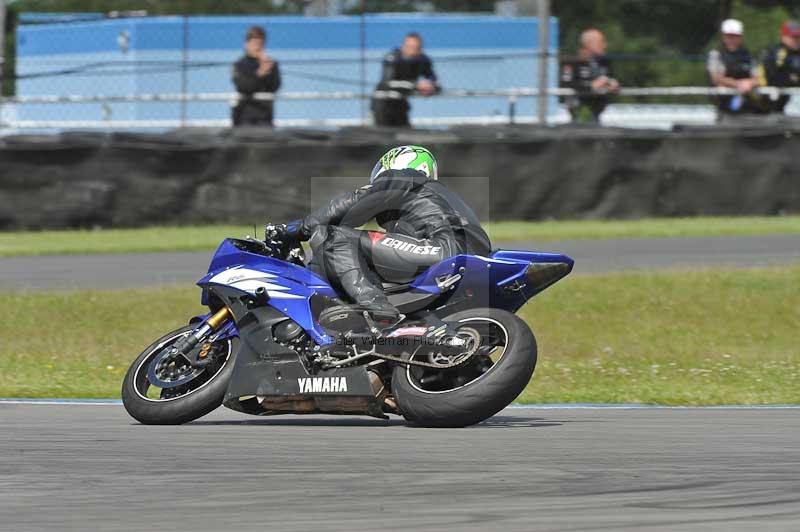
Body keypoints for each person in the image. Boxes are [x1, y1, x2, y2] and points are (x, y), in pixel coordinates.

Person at [279, 146, 491, 322]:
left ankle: (376, 310)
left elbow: (355, 205)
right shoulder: (436, 195)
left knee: (336, 237)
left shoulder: (404, 177)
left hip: (443, 251)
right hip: (466, 259)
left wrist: (299, 228)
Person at [371, 33, 439, 127]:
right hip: (383, 104)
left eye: (417, 48)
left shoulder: (423, 60)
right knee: (385, 137)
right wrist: (416, 85)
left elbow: (433, 79)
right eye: (410, 47)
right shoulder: (392, 58)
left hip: (401, 104)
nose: (413, 51)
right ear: (404, 46)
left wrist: (431, 87)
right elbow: (387, 83)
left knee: (405, 136)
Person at [559, 28, 620, 123]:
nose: (604, 45)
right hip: (579, 110)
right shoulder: (572, 61)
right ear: (589, 44)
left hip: (599, 111)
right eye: (601, 42)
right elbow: (566, 84)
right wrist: (591, 86)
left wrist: (613, 84)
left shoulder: (604, 61)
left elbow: (611, 78)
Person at [707, 19, 762, 118]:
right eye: (729, 36)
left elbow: (758, 78)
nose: (732, 39)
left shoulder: (748, 56)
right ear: (723, 37)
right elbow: (716, 78)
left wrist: (750, 83)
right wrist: (738, 84)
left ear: (741, 37)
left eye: (735, 36)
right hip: (723, 104)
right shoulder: (716, 55)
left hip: (747, 104)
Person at [231, 26, 281, 126]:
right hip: (243, 118)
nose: (258, 47)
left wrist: (268, 71)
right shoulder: (239, 65)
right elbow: (244, 86)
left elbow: (275, 86)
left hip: (265, 118)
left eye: (261, 44)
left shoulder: (271, 64)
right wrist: (260, 73)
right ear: (246, 44)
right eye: (255, 43)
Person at [759, 20, 800, 113]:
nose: (797, 40)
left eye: (798, 37)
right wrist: (792, 78)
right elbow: (773, 78)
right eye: (793, 37)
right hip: (777, 104)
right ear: (783, 37)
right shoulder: (775, 53)